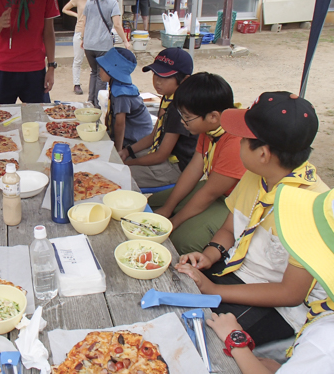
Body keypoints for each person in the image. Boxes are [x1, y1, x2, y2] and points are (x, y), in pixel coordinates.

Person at [176, 92, 329, 346]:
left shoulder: (311, 208)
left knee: (199, 339)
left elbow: (290, 293)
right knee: (177, 292)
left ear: (263, 153)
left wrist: (215, 291)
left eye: (243, 139)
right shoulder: (256, 175)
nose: (236, 142)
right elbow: (228, 229)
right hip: (235, 272)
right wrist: (209, 255)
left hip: (281, 307)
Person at [207, 185, 334, 373]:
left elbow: (290, 294)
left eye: (311, 239)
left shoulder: (324, 343)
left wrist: (235, 339)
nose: (297, 247)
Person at [149, 73, 247, 254]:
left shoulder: (235, 141)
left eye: (186, 116)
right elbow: (194, 168)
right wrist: (168, 209)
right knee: (153, 205)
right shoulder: (211, 128)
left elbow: (210, 193)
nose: (182, 121)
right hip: (214, 188)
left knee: (181, 240)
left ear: (213, 117)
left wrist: (174, 222)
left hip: (234, 201)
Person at [119, 48, 197, 189]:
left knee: (119, 176)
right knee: (116, 161)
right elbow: (154, 135)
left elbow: (161, 156)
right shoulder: (168, 96)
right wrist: (127, 151)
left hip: (174, 165)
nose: (157, 82)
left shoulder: (179, 108)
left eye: (165, 77)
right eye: (155, 74)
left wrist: (127, 164)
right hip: (160, 152)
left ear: (184, 80)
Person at [81, 0, 131, 108]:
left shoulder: (90, 2)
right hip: (103, 44)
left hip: (88, 44)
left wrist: (82, 38)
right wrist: (126, 41)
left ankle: (90, 100)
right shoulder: (113, 3)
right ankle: (98, 104)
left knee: (93, 72)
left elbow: (83, 22)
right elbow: (117, 24)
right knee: (101, 75)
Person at [95, 47, 153, 152]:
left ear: (111, 71)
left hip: (137, 142)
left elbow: (120, 124)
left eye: (102, 67)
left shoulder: (121, 94)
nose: (99, 70)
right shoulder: (116, 86)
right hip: (128, 137)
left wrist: (118, 151)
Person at [62, 0, 96, 96]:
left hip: (94, 32)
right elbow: (65, 9)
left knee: (95, 61)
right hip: (79, 31)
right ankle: (76, 84)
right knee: (78, 59)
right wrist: (77, 15)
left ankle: (96, 84)